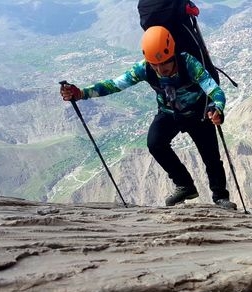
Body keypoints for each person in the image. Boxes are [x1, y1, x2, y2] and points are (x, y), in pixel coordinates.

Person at [60, 26, 237, 210]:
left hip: (198, 113)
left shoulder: (189, 63)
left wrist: (217, 108)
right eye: (155, 64)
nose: (161, 69)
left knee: (211, 157)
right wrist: (81, 93)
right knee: (155, 143)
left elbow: (214, 90)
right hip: (169, 114)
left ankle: (220, 197)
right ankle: (185, 185)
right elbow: (115, 84)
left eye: (165, 64)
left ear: (173, 54)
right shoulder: (145, 68)